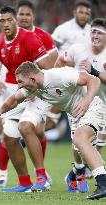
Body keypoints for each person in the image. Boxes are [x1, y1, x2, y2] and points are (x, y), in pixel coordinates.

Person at [0, 61, 106, 200]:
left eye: (20, 81)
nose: (19, 85)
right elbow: (14, 99)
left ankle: (103, 184)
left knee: (80, 139)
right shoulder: (33, 87)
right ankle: (75, 172)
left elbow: (93, 80)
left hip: (92, 106)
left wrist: (86, 100)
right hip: (75, 115)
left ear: (32, 78)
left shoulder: (60, 75)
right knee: (83, 156)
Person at [0, 5, 54, 192]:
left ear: (15, 21)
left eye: (9, 20)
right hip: (19, 93)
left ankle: (42, 177)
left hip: (37, 93)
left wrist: (36, 90)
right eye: (2, 21)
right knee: (10, 137)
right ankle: (24, 182)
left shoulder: (29, 38)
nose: (6, 24)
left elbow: (47, 69)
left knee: (28, 128)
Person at [54, 18, 106, 193]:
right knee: (80, 143)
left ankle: (77, 172)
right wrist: (57, 84)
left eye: (100, 32)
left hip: (103, 104)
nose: (95, 35)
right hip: (81, 104)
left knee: (94, 145)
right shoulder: (78, 49)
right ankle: (82, 172)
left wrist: (95, 71)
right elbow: (61, 61)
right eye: (93, 31)